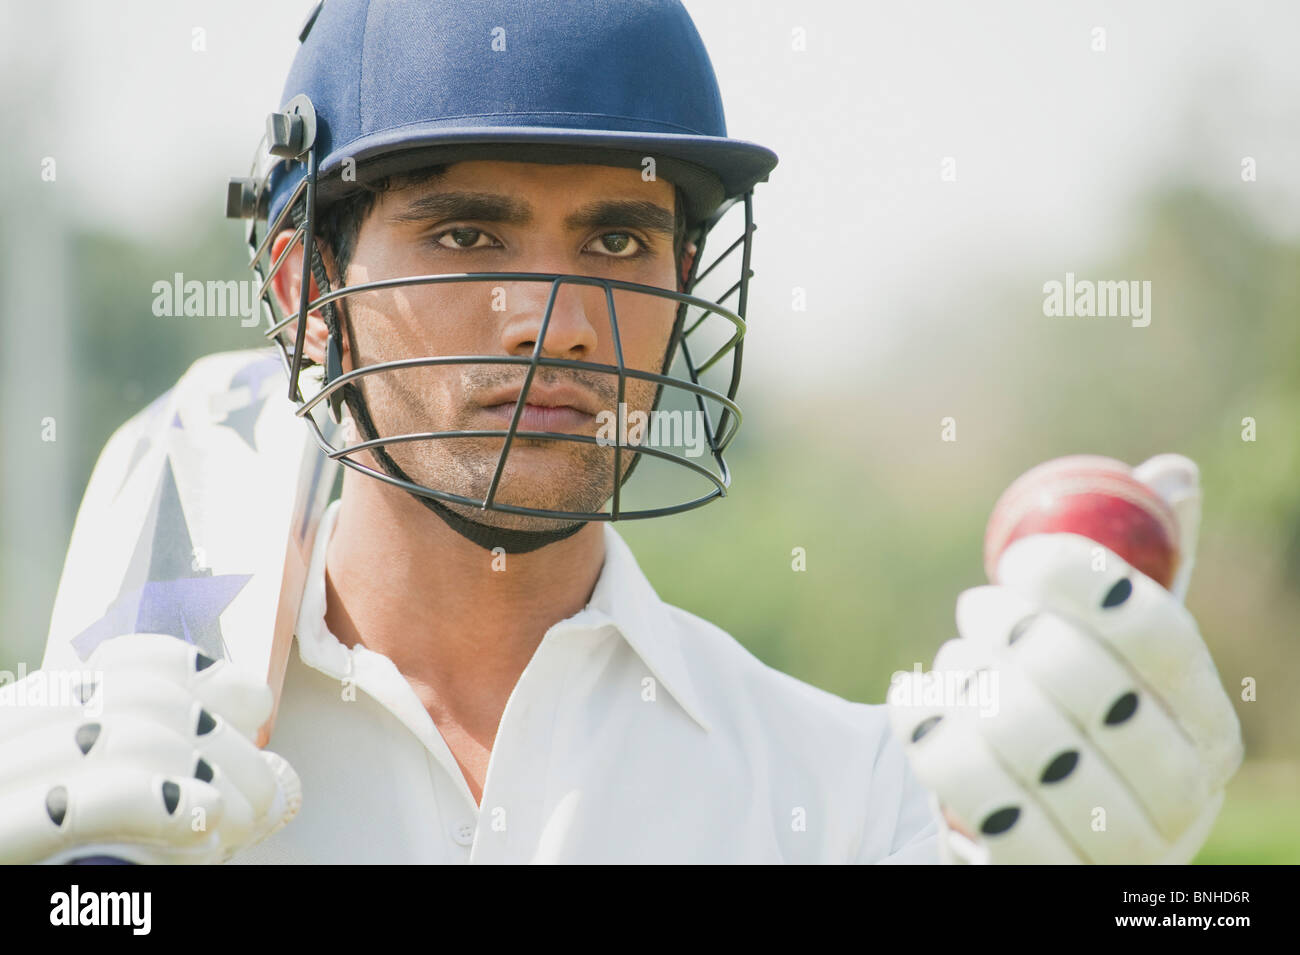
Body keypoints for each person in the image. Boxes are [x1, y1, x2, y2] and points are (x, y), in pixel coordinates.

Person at [4, 0, 1241, 865]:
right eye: (466, 234)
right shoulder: (115, 763)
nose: (558, 323)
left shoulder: (857, 796)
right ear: (300, 287)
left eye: (615, 241)